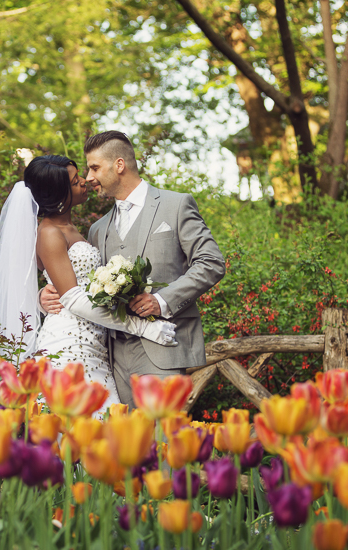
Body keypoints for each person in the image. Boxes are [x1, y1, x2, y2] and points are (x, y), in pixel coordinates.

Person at [40, 132, 226, 407]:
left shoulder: (176, 205)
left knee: (161, 442)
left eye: (94, 168)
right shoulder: (97, 229)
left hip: (164, 347)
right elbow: (80, 283)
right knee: (125, 445)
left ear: (118, 165)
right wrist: (45, 295)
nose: (89, 178)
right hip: (110, 357)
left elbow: (211, 262)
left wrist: (162, 301)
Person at [0, 154, 177, 411]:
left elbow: (68, 281)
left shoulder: (74, 228)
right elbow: (73, 298)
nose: (84, 181)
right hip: (69, 342)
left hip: (95, 341)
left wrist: (44, 294)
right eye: (75, 182)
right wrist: (142, 327)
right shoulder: (50, 233)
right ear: (60, 194)